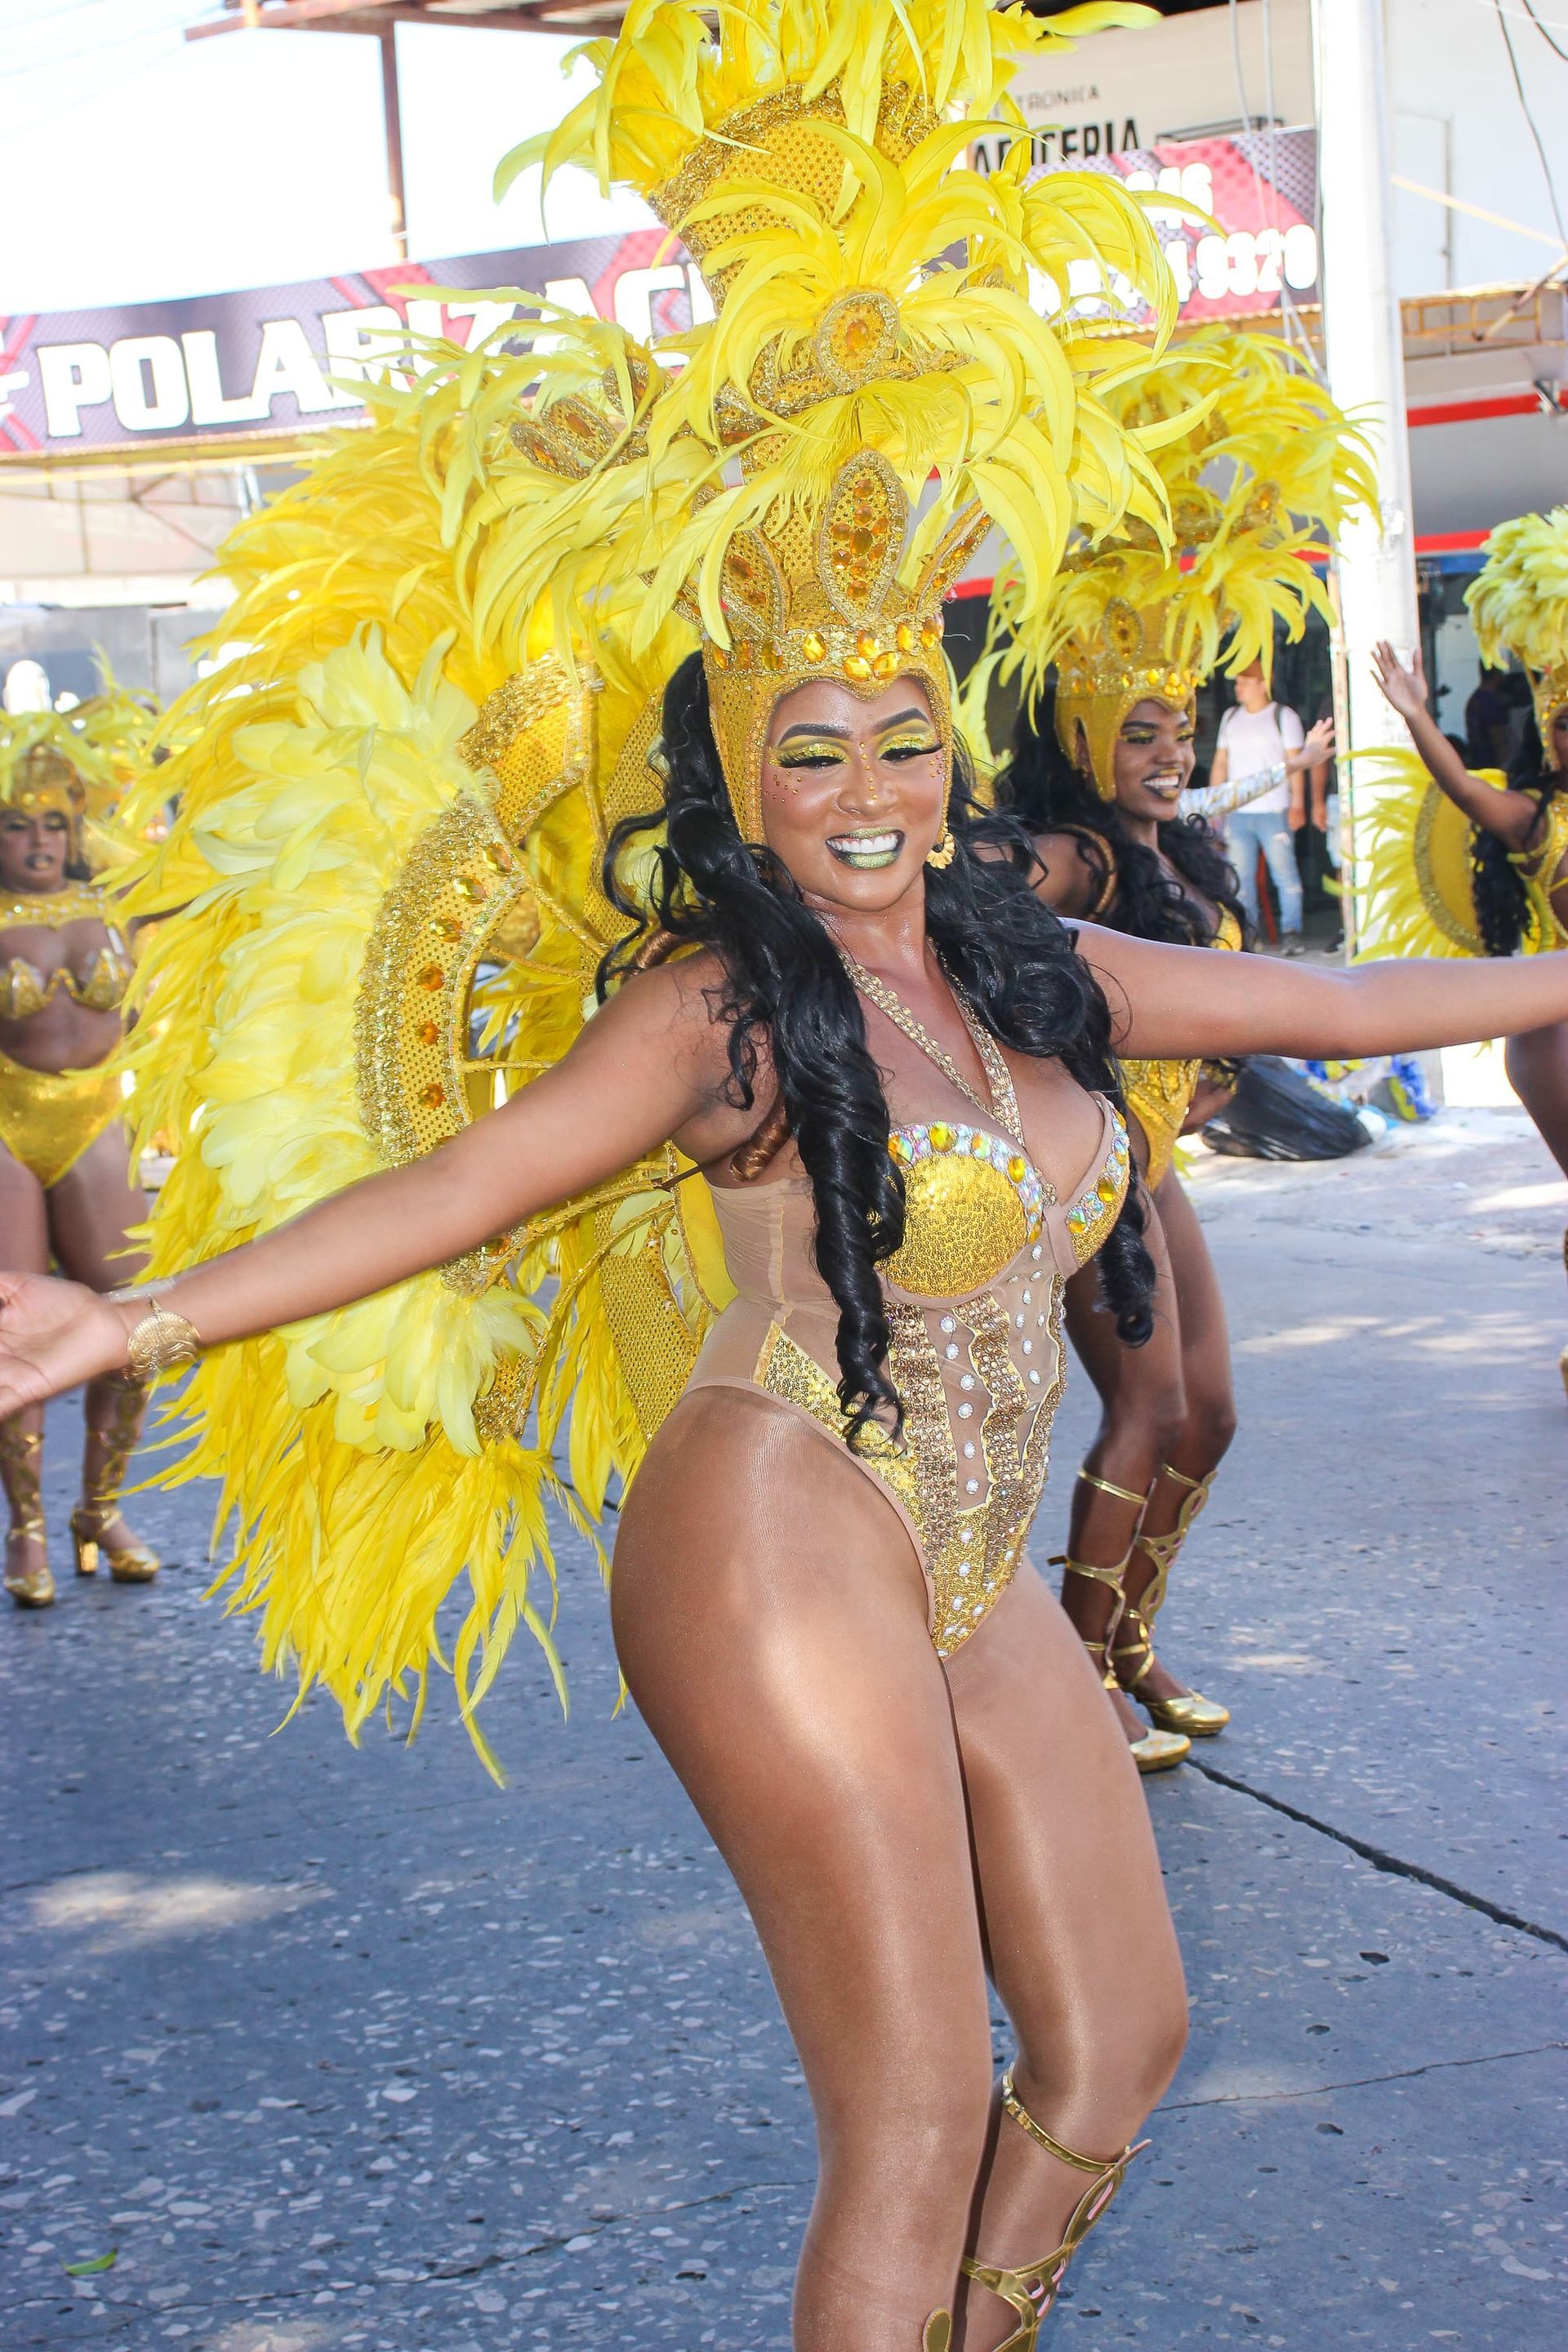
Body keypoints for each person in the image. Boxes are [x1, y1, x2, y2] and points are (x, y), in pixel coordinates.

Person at [10, 16, 1568, 2350]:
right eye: (807, 750)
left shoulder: (1028, 966)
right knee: (918, 2099)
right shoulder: (719, 1013)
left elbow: (1352, 1010)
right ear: (744, 786)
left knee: (1120, 2044)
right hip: (778, 1521)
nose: (865, 785)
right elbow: (470, 1185)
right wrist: (133, 1316)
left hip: (967, 1554)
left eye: (901, 737)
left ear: (952, 753)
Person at [987, 324, 1367, 1769]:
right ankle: (1075, 1682)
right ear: (1083, 729)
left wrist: (1200, 1083)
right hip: (1093, 1185)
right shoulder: (1074, 853)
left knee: (1211, 1416)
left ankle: (1131, 1639)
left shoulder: (1181, 849)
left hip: (1161, 1172)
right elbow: (969, 897)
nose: (1169, 746)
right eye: (1138, 725)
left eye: (1183, 723)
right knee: (1146, 1406)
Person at [1365, 506, 1567, 1387]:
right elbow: (1453, 780)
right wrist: (1416, 711)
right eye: (1563, 724)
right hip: (1558, 1035)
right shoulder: (1534, 822)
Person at [1, 694, 159, 1607]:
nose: (38, 842)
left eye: (54, 823)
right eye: (17, 825)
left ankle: (99, 1508)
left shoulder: (120, 902)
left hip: (100, 1122)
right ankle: (25, 1530)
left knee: (135, 1326)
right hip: (7, 1128)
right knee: (14, 1328)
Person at [1213, 666, 1320, 949]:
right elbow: (1221, 762)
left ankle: (1292, 932)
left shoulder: (1283, 716)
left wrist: (1298, 803)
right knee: (1240, 879)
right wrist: (1215, 803)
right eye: (1238, 681)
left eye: (1246, 681)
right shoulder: (1230, 717)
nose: (1239, 686)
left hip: (1275, 809)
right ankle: (1250, 935)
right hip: (1238, 812)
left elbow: (1296, 762)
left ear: (1264, 684)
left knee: (1285, 874)